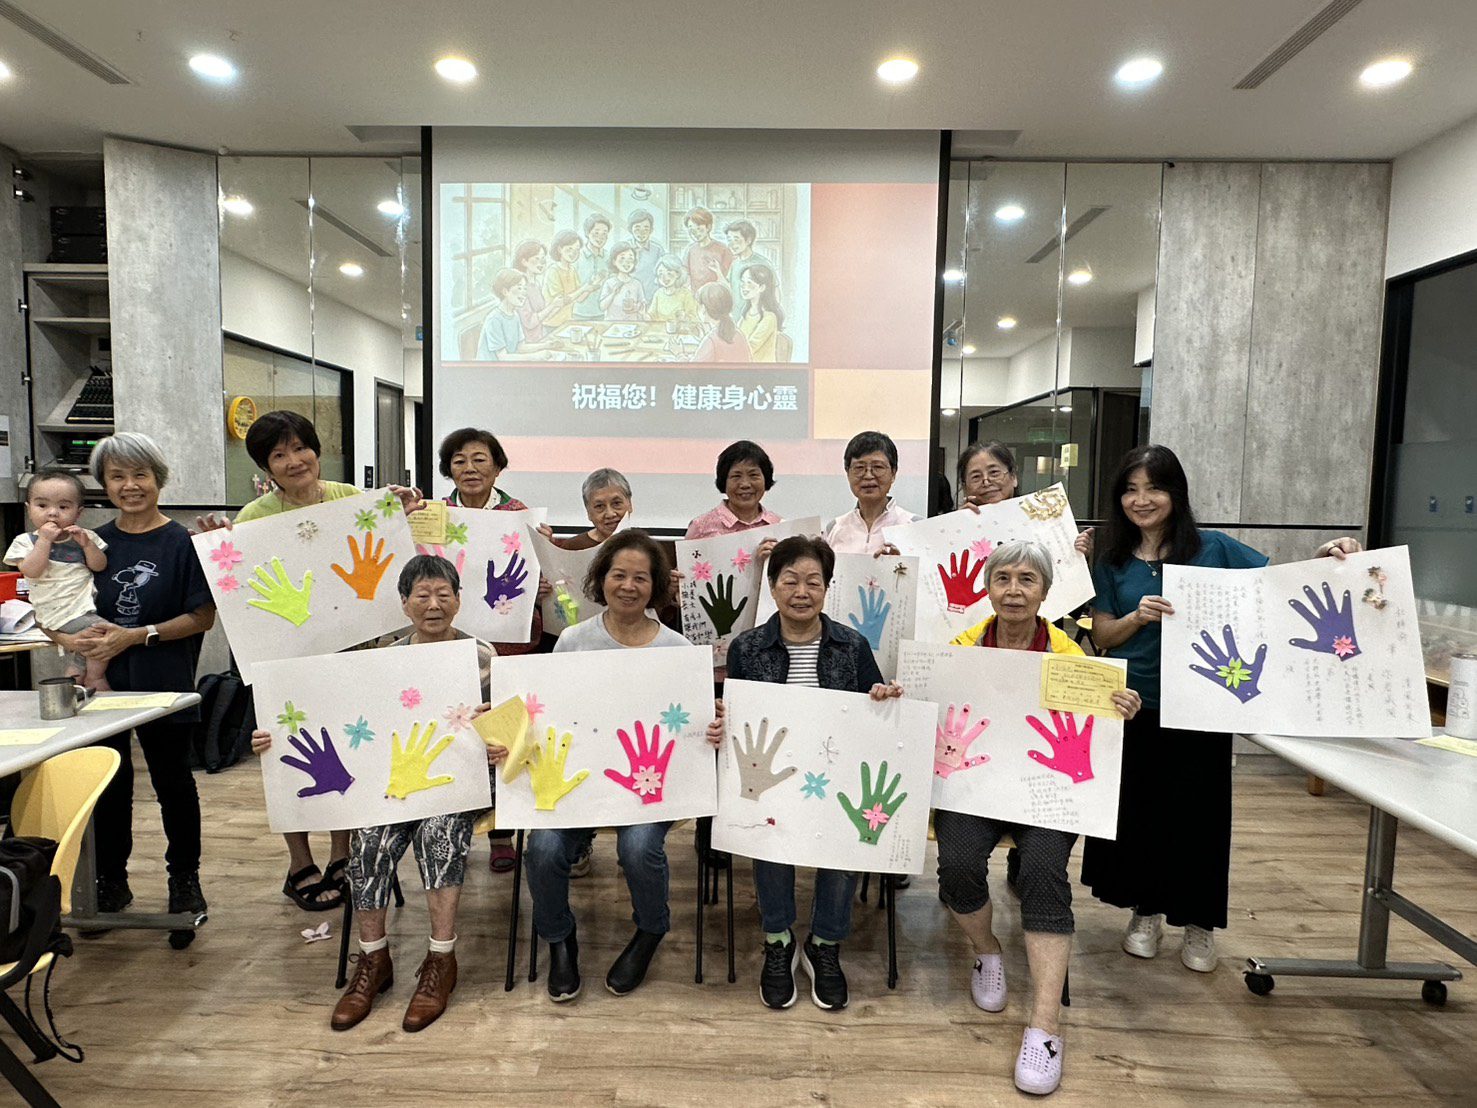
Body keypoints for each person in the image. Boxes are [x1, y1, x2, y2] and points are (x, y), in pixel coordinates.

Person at [1082, 444, 1361, 974]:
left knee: (1199, 818)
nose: (1141, 500)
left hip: (1205, 705)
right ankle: (1145, 913)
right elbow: (1103, 635)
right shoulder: (1112, 559)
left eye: (1153, 488)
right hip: (1134, 704)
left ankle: (1199, 924)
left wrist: (1328, 555)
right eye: (1130, 490)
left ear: (1176, 494)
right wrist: (1137, 617)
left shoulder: (1214, 548)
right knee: (1141, 815)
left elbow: (1280, 587)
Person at [251, 555, 499, 1033]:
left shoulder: (482, 656)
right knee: (369, 842)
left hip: (459, 782)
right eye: (422, 595)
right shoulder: (383, 659)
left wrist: (496, 735)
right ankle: (373, 959)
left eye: (443, 594)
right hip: (393, 782)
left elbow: (509, 724)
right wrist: (272, 738)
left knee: (439, 835)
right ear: (404, 604)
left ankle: (441, 959)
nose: (433, 605)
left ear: (458, 600)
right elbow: (337, 718)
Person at [940, 541, 1143, 1096]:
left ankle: (1045, 1027)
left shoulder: (1070, 654)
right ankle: (987, 952)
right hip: (976, 787)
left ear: (1046, 592)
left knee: (1042, 873)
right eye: (1003, 578)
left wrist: (1119, 709)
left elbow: (1096, 733)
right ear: (987, 588)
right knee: (957, 865)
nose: (1014, 590)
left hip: (1046, 792)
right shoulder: (959, 649)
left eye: (1027, 580)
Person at [200, 410, 421, 910]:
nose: (294, 460)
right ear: (266, 467)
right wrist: (220, 546)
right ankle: (299, 861)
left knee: (346, 749)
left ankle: (342, 854)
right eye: (279, 454)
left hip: (352, 654)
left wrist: (399, 515)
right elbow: (242, 591)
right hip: (284, 663)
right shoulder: (254, 518)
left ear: (317, 450)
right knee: (287, 750)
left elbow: (384, 559)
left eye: (301, 448)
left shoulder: (351, 499)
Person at [713, 536, 903, 1011]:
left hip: (835, 775)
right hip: (771, 775)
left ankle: (824, 942)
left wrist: (883, 698)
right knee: (767, 824)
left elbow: (872, 708)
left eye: (813, 582)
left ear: (827, 588)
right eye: (790, 581)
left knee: (847, 827)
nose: (802, 592)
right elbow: (739, 720)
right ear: (772, 587)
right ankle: (778, 939)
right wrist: (720, 720)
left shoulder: (851, 644)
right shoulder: (747, 647)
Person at [46, 433, 214, 944]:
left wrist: (137, 635)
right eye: (117, 476)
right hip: (101, 689)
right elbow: (54, 602)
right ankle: (111, 882)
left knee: (173, 785)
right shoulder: (87, 541)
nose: (130, 485)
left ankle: (184, 882)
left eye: (140, 474)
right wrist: (67, 640)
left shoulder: (182, 543)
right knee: (109, 787)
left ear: (158, 479)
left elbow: (202, 617)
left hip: (165, 686)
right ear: (104, 484)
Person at [527, 531, 702, 1001]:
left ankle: (651, 928)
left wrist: (710, 727)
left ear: (656, 586)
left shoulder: (677, 650)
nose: (628, 586)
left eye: (640, 578)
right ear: (601, 578)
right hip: (577, 782)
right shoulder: (573, 640)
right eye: (618, 575)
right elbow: (547, 714)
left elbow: (689, 728)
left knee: (639, 847)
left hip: (648, 786)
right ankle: (559, 938)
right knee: (543, 848)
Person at [437, 428, 546, 870]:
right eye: (459, 460)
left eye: (480, 459)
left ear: (498, 467)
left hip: (507, 646)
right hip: (452, 642)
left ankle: (502, 832)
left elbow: (537, 577)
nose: (470, 468)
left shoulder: (520, 516)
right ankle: (453, 830)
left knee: (503, 736)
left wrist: (541, 570)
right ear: (449, 470)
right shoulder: (435, 515)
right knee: (457, 733)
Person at [6, 469, 111, 689]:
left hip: (81, 608)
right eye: (42, 505)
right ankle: (96, 677)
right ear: (28, 509)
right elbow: (31, 570)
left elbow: (99, 565)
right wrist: (44, 541)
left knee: (87, 643)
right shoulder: (25, 541)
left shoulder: (85, 537)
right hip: (55, 611)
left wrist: (87, 545)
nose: (53, 513)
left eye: (63, 507)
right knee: (104, 632)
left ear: (78, 513)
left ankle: (73, 682)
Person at [823, 431, 921, 557]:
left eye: (878, 467)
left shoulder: (915, 527)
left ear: (893, 473)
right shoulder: (833, 529)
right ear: (847, 473)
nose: (868, 476)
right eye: (859, 467)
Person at [686, 439, 781, 541]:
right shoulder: (701, 528)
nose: (745, 484)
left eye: (753, 475)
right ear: (724, 481)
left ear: (766, 478)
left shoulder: (778, 525)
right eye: (736, 476)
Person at [476, 269, 554, 361]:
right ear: (505, 291)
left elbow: (520, 347)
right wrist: (536, 356)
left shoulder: (515, 315)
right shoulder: (494, 319)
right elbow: (503, 357)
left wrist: (546, 345)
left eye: (525, 289)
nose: (524, 293)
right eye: (519, 288)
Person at [512, 239, 569, 343]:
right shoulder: (520, 287)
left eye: (543, 259)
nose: (541, 263)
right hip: (527, 343)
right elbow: (529, 322)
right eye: (537, 259)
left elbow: (542, 316)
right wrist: (553, 305)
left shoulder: (536, 284)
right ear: (524, 262)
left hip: (541, 337)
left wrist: (557, 305)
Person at [723, 220, 774, 320]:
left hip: (756, 318)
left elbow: (775, 293)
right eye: (729, 240)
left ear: (748, 240)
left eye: (736, 240)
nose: (731, 244)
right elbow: (730, 289)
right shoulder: (734, 264)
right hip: (737, 318)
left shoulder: (763, 263)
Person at [688, 283, 751, 363]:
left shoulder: (711, 340)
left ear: (703, 309)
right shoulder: (739, 335)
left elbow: (693, 367)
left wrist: (681, 358)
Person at [544, 230, 591, 330]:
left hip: (567, 323)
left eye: (577, 250)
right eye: (569, 249)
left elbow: (579, 298)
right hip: (551, 324)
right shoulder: (553, 271)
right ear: (559, 249)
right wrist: (583, 289)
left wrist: (590, 287)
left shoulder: (572, 270)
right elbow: (562, 301)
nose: (573, 253)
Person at [737, 264, 784, 362]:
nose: (744, 287)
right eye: (742, 282)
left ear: (762, 287)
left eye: (749, 282)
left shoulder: (769, 317)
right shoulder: (746, 314)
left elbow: (751, 347)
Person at [683, 206, 732, 293]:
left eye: (699, 228)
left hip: (717, 296)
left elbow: (728, 279)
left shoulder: (723, 249)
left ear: (708, 227)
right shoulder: (690, 250)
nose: (695, 233)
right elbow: (686, 276)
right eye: (691, 230)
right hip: (695, 297)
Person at [573, 214, 613, 320]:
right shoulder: (576, 256)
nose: (600, 237)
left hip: (601, 313)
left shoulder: (609, 257)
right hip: (578, 313)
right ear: (587, 233)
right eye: (596, 233)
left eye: (604, 234)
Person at [957, 441, 1019, 508]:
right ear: (964, 487)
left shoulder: (1027, 512)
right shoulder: (958, 515)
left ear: (1013, 476)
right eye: (976, 476)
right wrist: (962, 514)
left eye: (994, 472)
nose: (986, 483)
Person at [599, 242, 647, 322]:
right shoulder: (609, 283)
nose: (627, 262)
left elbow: (642, 304)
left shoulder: (637, 284)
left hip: (632, 324)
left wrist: (637, 307)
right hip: (613, 324)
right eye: (622, 258)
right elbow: (602, 307)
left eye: (630, 259)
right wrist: (613, 293)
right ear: (614, 261)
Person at [647, 254, 700, 324]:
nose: (664, 278)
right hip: (659, 330)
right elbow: (651, 315)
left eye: (669, 273)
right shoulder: (658, 293)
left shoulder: (686, 294)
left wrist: (685, 317)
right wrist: (644, 315)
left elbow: (694, 318)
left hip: (680, 330)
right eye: (660, 274)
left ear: (677, 274)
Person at [627, 208, 662, 300]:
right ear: (630, 229)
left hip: (651, 297)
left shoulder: (657, 250)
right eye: (637, 229)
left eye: (646, 229)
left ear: (651, 230)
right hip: (629, 298)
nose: (641, 233)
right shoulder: (624, 248)